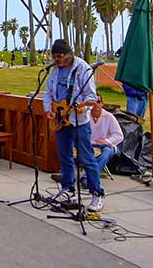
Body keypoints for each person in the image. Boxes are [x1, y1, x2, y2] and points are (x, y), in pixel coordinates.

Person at [43, 39, 104, 212]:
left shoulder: (82, 69)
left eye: (60, 56)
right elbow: (48, 92)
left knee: (86, 158)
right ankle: (68, 189)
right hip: (60, 119)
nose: (57, 59)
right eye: (54, 56)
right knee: (64, 156)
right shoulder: (54, 71)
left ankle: (97, 193)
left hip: (78, 122)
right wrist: (48, 109)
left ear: (69, 54)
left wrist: (80, 107)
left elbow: (91, 97)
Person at [88, 95, 123, 182]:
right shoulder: (85, 116)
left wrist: (107, 141)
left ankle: (88, 177)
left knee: (107, 151)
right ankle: (68, 176)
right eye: (93, 102)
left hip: (105, 145)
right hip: (89, 144)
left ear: (102, 104)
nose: (96, 104)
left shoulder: (109, 116)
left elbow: (119, 135)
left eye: (98, 102)